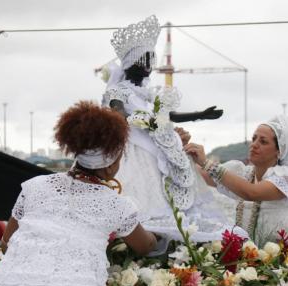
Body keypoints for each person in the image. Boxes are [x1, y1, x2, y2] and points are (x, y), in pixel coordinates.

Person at [0, 101, 156, 286]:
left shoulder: (35, 186)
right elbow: (146, 245)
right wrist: (158, 233)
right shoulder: (117, 204)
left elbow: (6, 244)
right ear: (110, 165)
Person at [101, 15, 246, 247]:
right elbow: (116, 112)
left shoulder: (149, 95)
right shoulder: (119, 91)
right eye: (145, 59)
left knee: (173, 199)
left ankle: (174, 243)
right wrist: (141, 120)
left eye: (151, 59)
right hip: (133, 151)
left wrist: (199, 114)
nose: (149, 66)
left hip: (158, 148)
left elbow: (165, 116)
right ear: (131, 62)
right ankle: (134, 241)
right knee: (140, 200)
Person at [184, 114, 288, 250]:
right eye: (254, 139)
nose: (254, 144)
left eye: (263, 141)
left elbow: (251, 192)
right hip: (259, 259)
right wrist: (183, 149)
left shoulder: (287, 177)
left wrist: (207, 163)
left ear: (279, 152)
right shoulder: (244, 173)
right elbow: (204, 174)